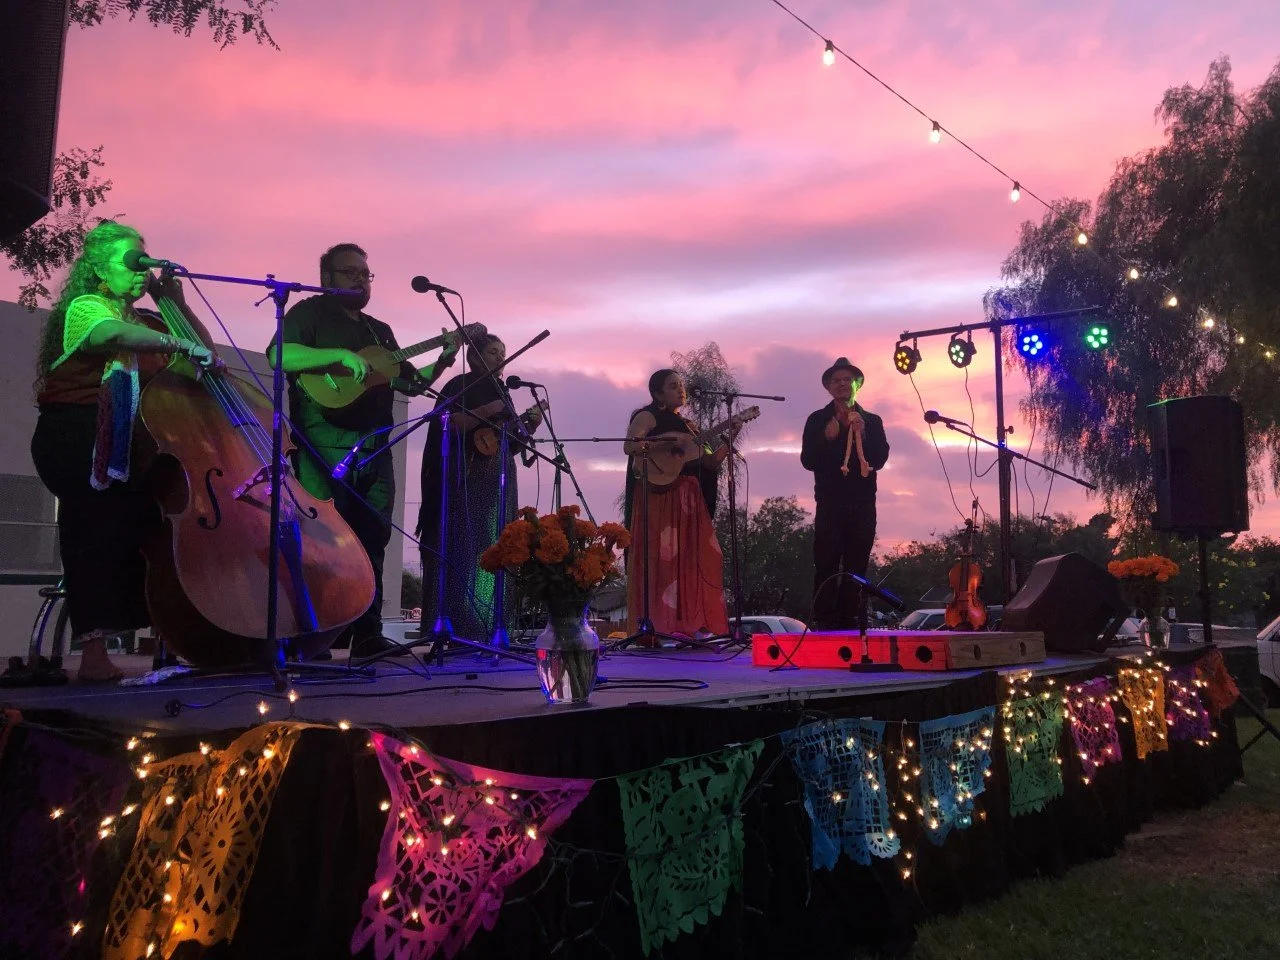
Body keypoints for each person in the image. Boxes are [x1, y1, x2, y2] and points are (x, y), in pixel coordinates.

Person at [30, 220, 218, 681]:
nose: (139, 271)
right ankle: (93, 656)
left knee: (143, 532)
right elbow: (110, 335)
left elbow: (205, 356)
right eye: (130, 262)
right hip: (76, 436)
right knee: (91, 532)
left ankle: (172, 638)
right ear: (98, 268)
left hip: (131, 448)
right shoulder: (86, 306)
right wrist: (174, 340)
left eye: (143, 262)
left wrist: (173, 303)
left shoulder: (149, 322)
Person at [267, 243, 457, 659]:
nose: (360, 279)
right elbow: (279, 354)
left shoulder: (379, 331)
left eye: (365, 274)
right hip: (322, 446)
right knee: (322, 541)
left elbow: (408, 381)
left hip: (375, 449)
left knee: (373, 541)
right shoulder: (308, 314)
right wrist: (337, 354)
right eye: (350, 272)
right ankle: (315, 637)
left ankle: (367, 637)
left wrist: (441, 362)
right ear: (327, 278)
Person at [418, 334, 544, 643]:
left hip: (499, 479)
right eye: (492, 352)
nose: (500, 357)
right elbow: (449, 424)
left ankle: (492, 627)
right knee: (466, 546)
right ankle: (460, 627)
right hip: (464, 481)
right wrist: (490, 409)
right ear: (474, 357)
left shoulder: (503, 389)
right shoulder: (459, 385)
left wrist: (529, 424)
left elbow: (501, 444)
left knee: (497, 544)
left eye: (503, 352)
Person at [622, 369, 734, 642]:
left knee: (698, 556)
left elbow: (708, 463)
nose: (680, 390)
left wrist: (732, 435)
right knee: (662, 558)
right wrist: (667, 441)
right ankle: (656, 626)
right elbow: (630, 446)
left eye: (681, 385)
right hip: (660, 498)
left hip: (688, 499)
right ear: (658, 393)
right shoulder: (647, 416)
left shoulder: (690, 427)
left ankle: (692, 624)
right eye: (673, 386)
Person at [800, 357, 890, 630]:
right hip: (830, 502)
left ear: (857, 385)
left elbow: (880, 459)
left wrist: (863, 435)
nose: (842, 384)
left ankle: (850, 619)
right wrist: (828, 439)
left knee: (857, 564)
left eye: (847, 380)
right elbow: (808, 460)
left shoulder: (872, 420)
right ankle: (824, 620)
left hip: (863, 503)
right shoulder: (817, 419)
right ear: (828, 387)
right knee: (826, 562)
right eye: (836, 380)